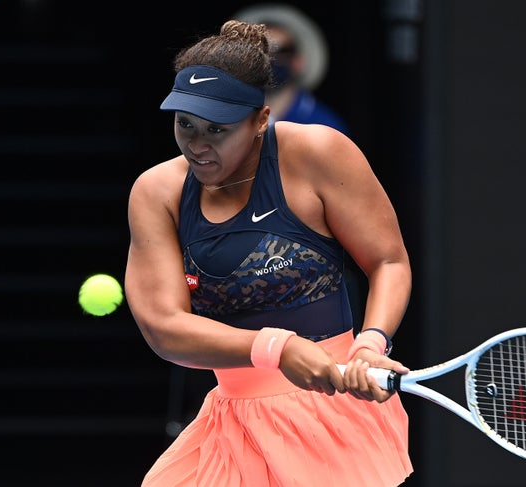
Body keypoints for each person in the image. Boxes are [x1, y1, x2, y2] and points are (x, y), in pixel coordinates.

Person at [124, 19, 413, 487]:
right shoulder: (157, 192)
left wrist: (371, 343)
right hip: (230, 427)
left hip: (335, 423)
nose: (197, 145)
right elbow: (163, 327)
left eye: (217, 129)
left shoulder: (319, 152)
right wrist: (276, 348)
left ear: (261, 120)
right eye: (185, 124)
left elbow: (389, 261)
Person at [233, 3, 350, 135]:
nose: (268, 58)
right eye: (258, 48)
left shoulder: (324, 126)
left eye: (279, 50)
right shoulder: (227, 117)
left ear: (298, 61)